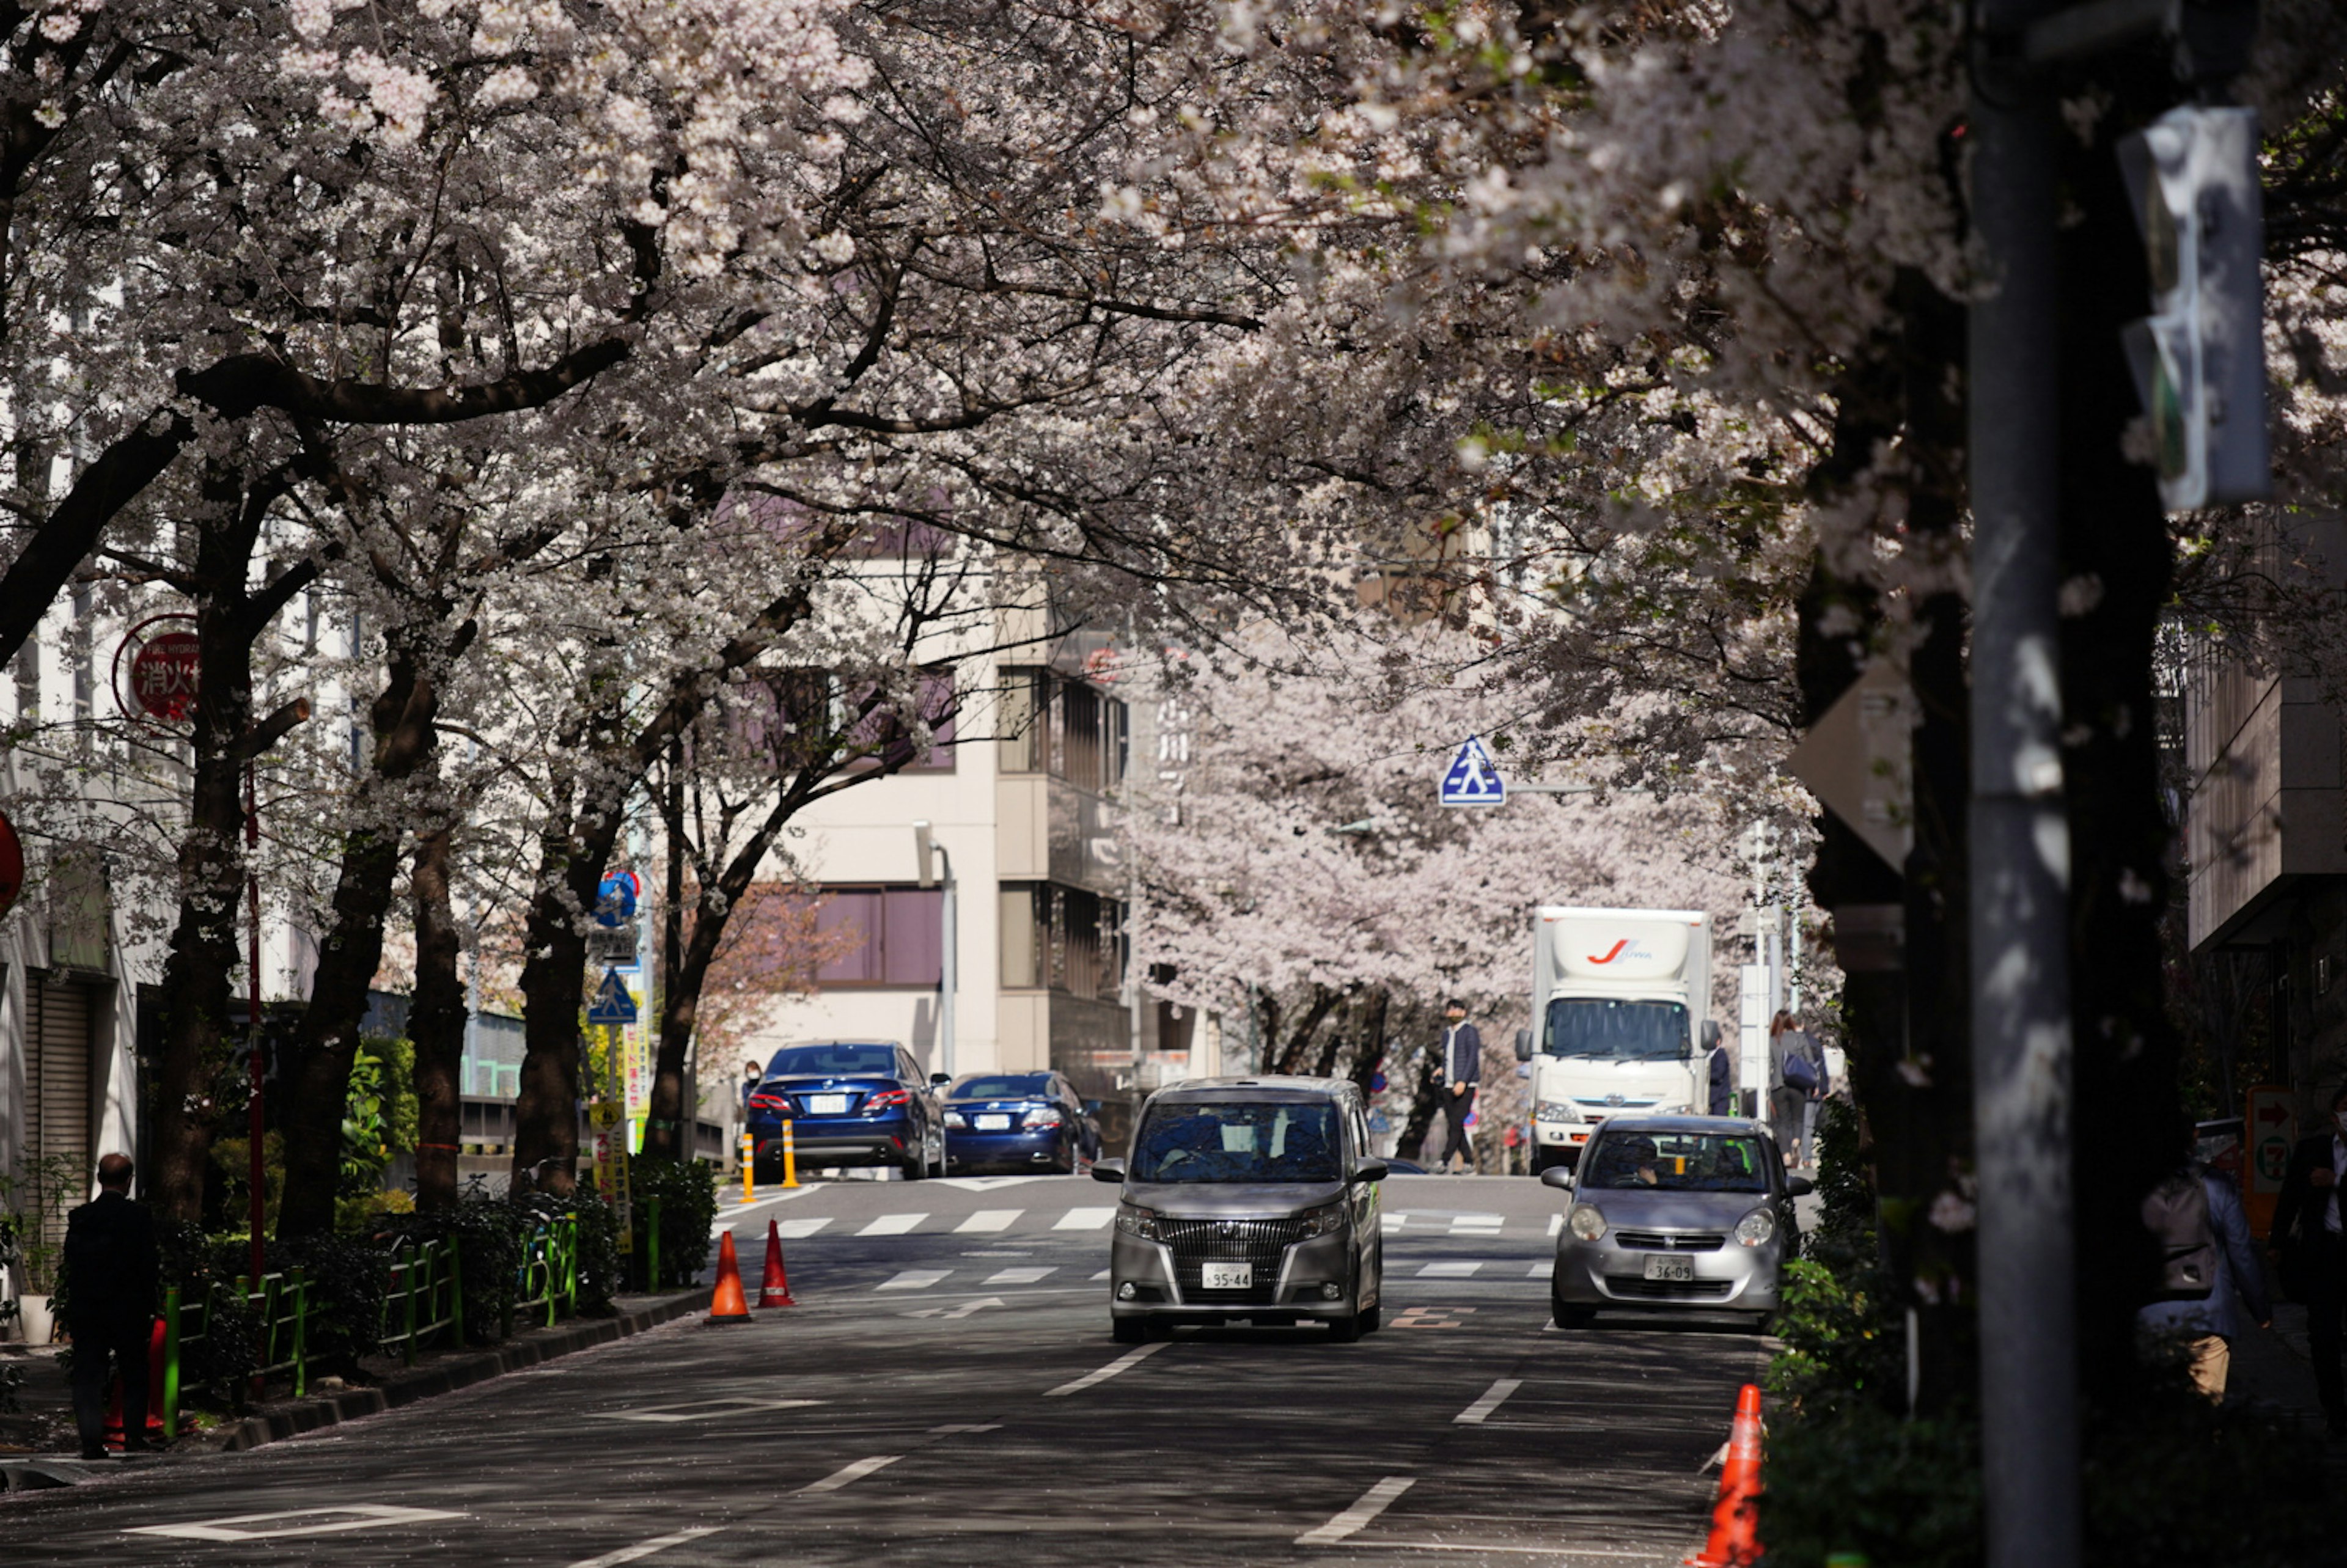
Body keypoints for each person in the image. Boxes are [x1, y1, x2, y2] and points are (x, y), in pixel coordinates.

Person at [2137, 1113, 2269, 1401]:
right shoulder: (2217, 1184)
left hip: (2151, 1317)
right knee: (2206, 1415)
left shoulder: (2134, 1186)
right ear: (2194, 1138)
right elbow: (2241, 1250)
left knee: (2162, 1417)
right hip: (2209, 1315)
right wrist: (2260, 1309)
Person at [62, 1153, 160, 1459]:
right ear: (129, 1180)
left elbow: (70, 1265)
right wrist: (149, 1302)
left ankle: (91, 1442)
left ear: (99, 1179)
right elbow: (148, 1266)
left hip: (89, 1308)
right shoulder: (139, 1218)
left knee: (89, 1376)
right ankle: (134, 1437)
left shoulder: (81, 1218)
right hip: (128, 1308)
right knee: (133, 1372)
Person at [2273, 1085, 2347, 1435]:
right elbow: (2289, 1197)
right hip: (2324, 1253)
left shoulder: (2333, 1171)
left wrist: (2338, 1182)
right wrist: (2277, 1241)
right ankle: (2335, 1407)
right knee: (2323, 1335)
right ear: (2334, 1115)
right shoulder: (2313, 1150)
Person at [1766, 1011, 1823, 1168]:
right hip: (1798, 1085)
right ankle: (1796, 1140)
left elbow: (1769, 1064)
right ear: (1790, 1022)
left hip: (1779, 1085)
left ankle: (1785, 1155)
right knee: (1798, 1119)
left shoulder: (1772, 1041)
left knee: (1782, 1122)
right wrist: (1814, 1086)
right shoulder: (1800, 1039)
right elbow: (1811, 1063)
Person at [1435, 998, 1482, 1174]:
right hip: (1448, 1084)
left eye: (1457, 1010)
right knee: (1455, 1124)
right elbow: (1448, 1057)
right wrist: (1441, 1069)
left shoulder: (1470, 1032)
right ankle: (1469, 1162)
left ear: (1464, 1012)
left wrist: (1463, 1081)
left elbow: (1472, 1059)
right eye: (1450, 1010)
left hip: (1466, 1085)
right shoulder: (1447, 1033)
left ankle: (1444, 1160)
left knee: (1456, 1123)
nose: (1453, 1013)